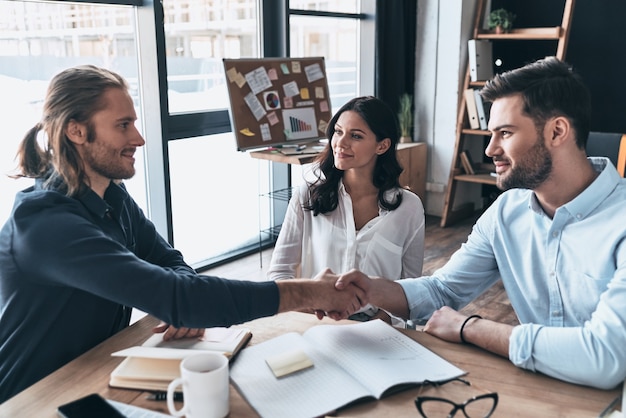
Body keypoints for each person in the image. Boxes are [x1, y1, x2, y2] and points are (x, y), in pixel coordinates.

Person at [0, 65, 367, 403]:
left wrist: (188, 306)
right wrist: (309, 292)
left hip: (94, 371)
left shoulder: (111, 195)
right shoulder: (45, 222)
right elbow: (177, 294)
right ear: (76, 131)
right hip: (33, 396)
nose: (139, 139)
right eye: (123, 125)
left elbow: (169, 263)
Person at [332, 56, 626, 390]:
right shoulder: (506, 213)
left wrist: (469, 327)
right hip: (544, 391)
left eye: (505, 133)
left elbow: (605, 357)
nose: (490, 150)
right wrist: (369, 289)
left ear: (557, 131)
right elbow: (442, 289)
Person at [266, 96, 425, 323]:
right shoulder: (308, 195)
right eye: (338, 132)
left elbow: (412, 288)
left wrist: (381, 321)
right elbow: (279, 272)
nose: (340, 143)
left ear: (382, 146)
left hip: (380, 327)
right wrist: (310, 310)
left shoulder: (408, 207)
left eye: (356, 136)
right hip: (317, 320)